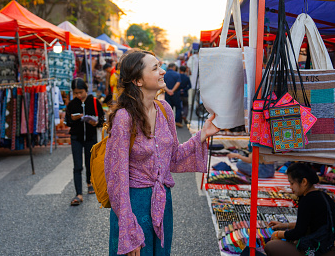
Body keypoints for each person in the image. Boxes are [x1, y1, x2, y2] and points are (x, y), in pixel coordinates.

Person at [104, 49, 220, 256]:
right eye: (156, 67)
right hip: (134, 207)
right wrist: (128, 229)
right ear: (138, 80)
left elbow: (173, 158)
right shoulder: (124, 118)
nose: (163, 71)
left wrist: (202, 134)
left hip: (162, 202)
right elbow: (116, 177)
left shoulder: (165, 109)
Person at [265, 163, 335, 256]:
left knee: (271, 246)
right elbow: (309, 224)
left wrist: (278, 234)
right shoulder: (322, 195)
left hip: (329, 251)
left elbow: (298, 232)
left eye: (292, 183)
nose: (291, 187)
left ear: (304, 182)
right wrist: (285, 225)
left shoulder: (307, 200)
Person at [65, 78, 105, 206]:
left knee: (90, 162)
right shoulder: (71, 104)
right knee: (77, 165)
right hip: (76, 137)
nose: (78, 95)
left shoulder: (94, 102)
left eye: (81, 92)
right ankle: (78, 194)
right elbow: (67, 121)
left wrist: (96, 123)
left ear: (86, 90)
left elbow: (102, 119)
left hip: (90, 137)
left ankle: (89, 182)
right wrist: (73, 119)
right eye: (76, 93)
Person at [163, 63, 182, 128]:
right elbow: (178, 83)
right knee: (178, 108)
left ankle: (169, 122)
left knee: (168, 108)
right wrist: (172, 91)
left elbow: (162, 83)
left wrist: (168, 90)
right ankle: (177, 121)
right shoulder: (177, 74)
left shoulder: (164, 74)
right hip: (175, 93)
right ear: (173, 67)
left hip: (167, 94)